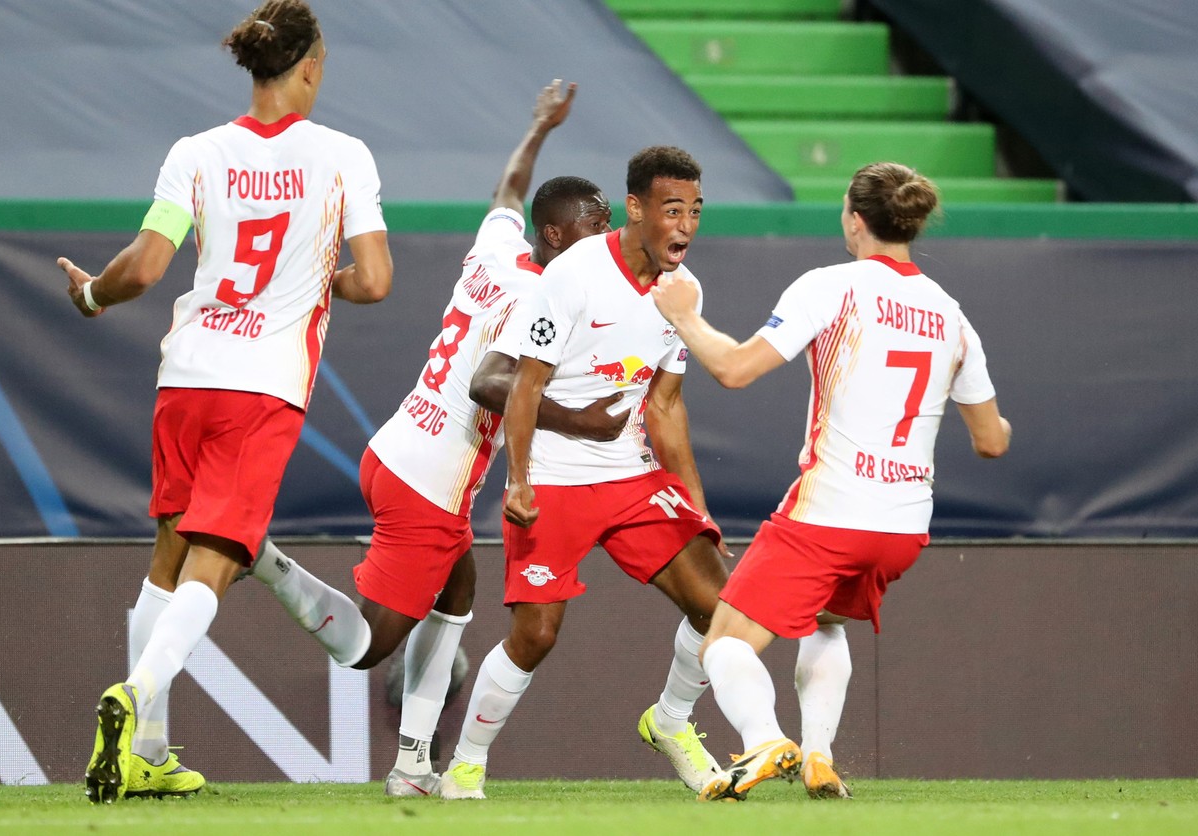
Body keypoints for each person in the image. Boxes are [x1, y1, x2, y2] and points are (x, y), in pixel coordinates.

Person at [249, 79, 624, 797]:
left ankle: (413, 767)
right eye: (594, 228)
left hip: (397, 444)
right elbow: (491, 385)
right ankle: (261, 559)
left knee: (457, 594)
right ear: (555, 235)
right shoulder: (539, 297)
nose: (606, 241)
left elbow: (508, 190)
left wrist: (539, 127)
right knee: (366, 649)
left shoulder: (498, 249)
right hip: (430, 480)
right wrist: (586, 423)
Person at [61, 0, 393, 803]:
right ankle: (135, 692)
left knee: (169, 553)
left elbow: (144, 267)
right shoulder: (343, 156)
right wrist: (324, 281)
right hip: (263, 384)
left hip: (187, 374)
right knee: (217, 557)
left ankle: (146, 751)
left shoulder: (197, 151)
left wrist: (93, 295)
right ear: (309, 66)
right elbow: (377, 281)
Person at [651, 161, 1012, 802]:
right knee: (826, 621)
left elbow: (735, 369)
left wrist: (685, 316)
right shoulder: (951, 315)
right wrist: (996, 416)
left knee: (724, 645)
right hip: (902, 528)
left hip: (830, 512)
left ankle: (765, 740)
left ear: (855, 219)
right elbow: (992, 441)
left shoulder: (832, 286)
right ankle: (818, 757)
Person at [439, 146, 736, 801]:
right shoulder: (575, 273)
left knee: (722, 610)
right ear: (635, 208)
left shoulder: (683, 291)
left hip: (631, 476)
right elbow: (523, 384)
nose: (686, 226)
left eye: (695, 211)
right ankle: (465, 765)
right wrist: (519, 481)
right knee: (536, 635)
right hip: (553, 479)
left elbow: (665, 405)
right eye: (673, 210)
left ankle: (671, 721)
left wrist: (696, 506)